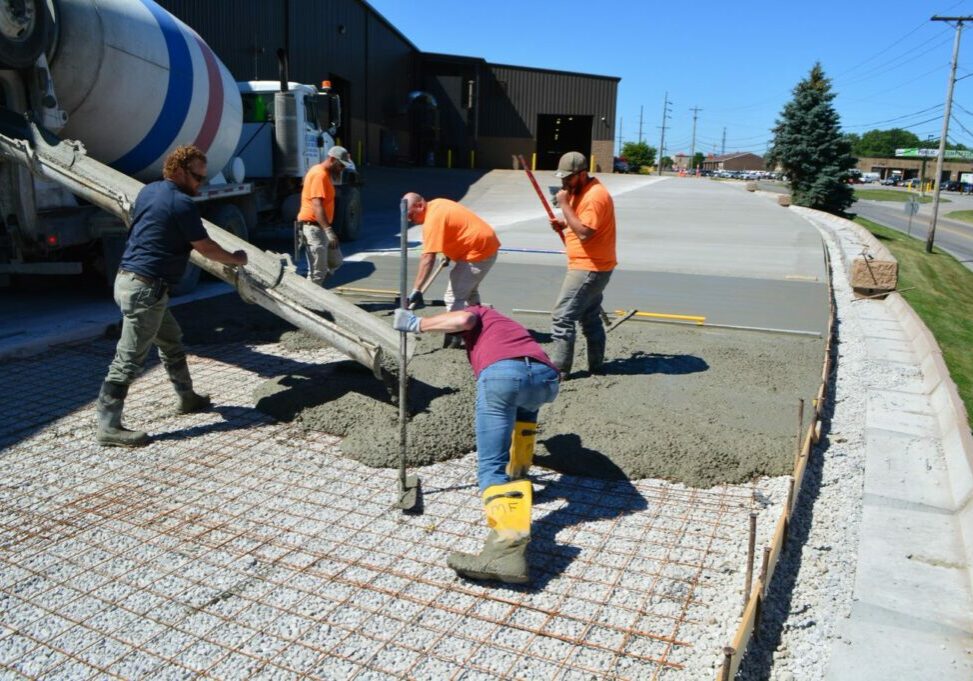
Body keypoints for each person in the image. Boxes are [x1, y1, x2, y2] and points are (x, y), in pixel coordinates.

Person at [393, 305, 560, 584]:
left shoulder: (480, 312)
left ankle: (506, 552)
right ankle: (521, 483)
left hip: (503, 376)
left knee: (491, 466)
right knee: (523, 427)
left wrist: (416, 323)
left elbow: (463, 319)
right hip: (546, 379)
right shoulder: (508, 327)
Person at [95, 145, 248, 447]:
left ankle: (187, 398)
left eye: (203, 178)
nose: (199, 184)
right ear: (178, 171)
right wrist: (237, 258)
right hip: (145, 288)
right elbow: (205, 248)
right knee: (128, 359)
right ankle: (108, 427)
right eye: (196, 177)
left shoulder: (149, 191)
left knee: (171, 339)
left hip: (132, 281)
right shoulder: (181, 203)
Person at [547, 151, 617, 378]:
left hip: (590, 266)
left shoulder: (595, 196)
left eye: (568, 177)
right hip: (593, 264)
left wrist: (564, 204)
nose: (564, 182)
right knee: (589, 316)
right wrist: (563, 223)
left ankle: (559, 369)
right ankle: (596, 365)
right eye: (562, 177)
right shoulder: (580, 190)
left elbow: (585, 232)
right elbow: (580, 222)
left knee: (562, 317)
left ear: (583, 173)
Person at [402, 193, 500, 348]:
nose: (409, 220)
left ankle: (456, 337)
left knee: (453, 297)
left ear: (420, 206)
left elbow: (428, 258)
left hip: (478, 251)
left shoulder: (432, 220)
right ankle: (480, 327)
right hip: (483, 246)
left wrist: (417, 289)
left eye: (410, 214)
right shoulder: (437, 204)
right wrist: (448, 253)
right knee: (469, 292)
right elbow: (454, 228)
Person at [296, 146, 351, 286]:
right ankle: (309, 302)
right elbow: (317, 205)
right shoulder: (320, 175)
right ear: (332, 159)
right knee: (317, 272)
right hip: (314, 228)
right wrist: (328, 230)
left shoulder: (325, 174)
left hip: (320, 227)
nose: (342, 169)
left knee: (336, 261)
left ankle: (317, 290)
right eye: (341, 165)